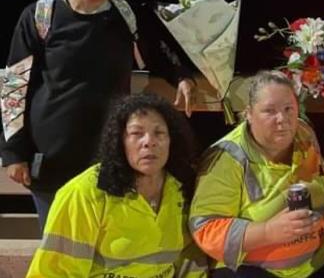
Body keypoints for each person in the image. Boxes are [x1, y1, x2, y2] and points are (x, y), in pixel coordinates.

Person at [0, 0, 195, 230]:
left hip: (109, 157)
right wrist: (14, 152)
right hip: (52, 158)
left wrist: (182, 77)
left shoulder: (124, 16)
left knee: (108, 247)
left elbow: (157, 51)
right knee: (59, 251)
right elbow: (13, 86)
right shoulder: (40, 16)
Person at [26, 93, 207, 276]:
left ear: (171, 140)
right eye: (137, 133)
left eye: (158, 133)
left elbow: (191, 261)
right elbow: (54, 272)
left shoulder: (181, 188)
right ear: (120, 141)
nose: (149, 142)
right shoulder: (83, 193)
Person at [190, 70, 324, 278]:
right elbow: (205, 228)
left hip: (318, 259)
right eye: (269, 111)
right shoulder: (226, 158)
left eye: (288, 109)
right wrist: (267, 231)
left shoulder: (304, 133)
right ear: (248, 113)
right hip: (256, 269)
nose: (282, 119)